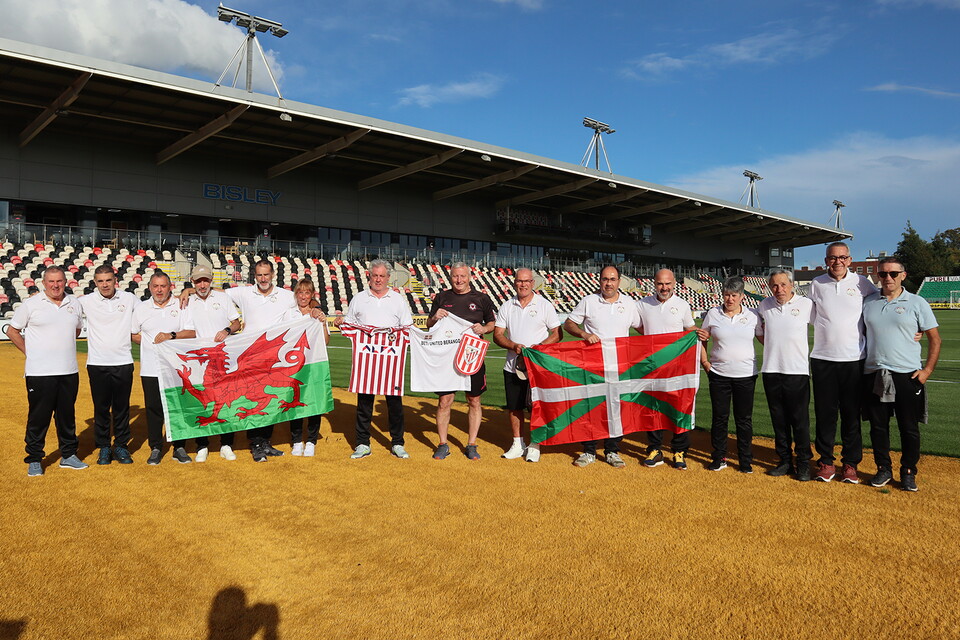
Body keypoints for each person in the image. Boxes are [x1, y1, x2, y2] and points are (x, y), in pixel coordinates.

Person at [182, 259, 305, 461]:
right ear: (254, 276)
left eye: (266, 274)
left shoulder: (285, 296)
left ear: (273, 275)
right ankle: (255, 443)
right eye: (259, 275)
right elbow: (215, 291)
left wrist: (316, 307)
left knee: (268, 400)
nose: (263, 279)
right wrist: (188, 290)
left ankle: (265, 442)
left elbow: (305, 299)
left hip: (270, 358)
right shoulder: (244, 292)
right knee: (250, 396)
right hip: (249, 357)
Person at [861, 258, 941, 492]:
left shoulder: (917, 302)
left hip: (907, 375)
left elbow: (935, 339)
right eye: (883, 274)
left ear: (903, 275)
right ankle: (883, 468)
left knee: (908, 427)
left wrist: (927, 371)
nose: (888, 278)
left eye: (893, 273)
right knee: (878, 427)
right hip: (874, 372)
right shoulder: (868, 302)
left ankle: (908, 471)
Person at [807, 241, 878, 484]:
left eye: (842, 257)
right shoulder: (816, 284)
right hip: (823, 359)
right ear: (826, 260)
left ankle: (850, 464)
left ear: (849, 259)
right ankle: (826, 461)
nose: (837, 262)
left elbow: (881, 307)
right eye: (832, 258)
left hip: (854, 360)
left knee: (851, 415)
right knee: (825, 414)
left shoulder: (862, 283)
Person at [6, 265, 86, 476]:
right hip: (40, 373)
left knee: (67, 417)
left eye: (59, 281)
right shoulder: (31, 305)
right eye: (51, 281)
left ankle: (68, 455)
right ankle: (34, 458)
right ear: (43, 283)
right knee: (38, 418)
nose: (55, 285)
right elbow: (12, 331)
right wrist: (29, 351)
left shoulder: (74, 303)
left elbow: (77, 329)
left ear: (65, 282)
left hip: (68, 371)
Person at [563, 265, 641, 468]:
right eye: (605, 279)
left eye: (613, 279)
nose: (609, 283)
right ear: (599, 281)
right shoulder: (589, 301)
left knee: (616, 408)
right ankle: (589, 450)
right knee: (592, 407)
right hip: (593, 365)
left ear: (619, 281)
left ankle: (612, 450)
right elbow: (569, 324)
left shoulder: (629, 303)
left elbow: (643, 328)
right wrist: (584, 334)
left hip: (619, 366)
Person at [338, 259, 414, 460]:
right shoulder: (359, 299)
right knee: (364, 404)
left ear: (388, 278)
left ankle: (397, 443)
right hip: (367, 362)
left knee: (395, 405)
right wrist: (340, 323)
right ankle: (362, 443)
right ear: (369, 276)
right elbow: (349, 325)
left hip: (391, 363)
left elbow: (408, 328)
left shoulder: (397, 300)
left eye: (382, 276)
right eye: (375, 275)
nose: (378, 279)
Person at [427, 262, 496, 461]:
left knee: (474, 400)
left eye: (462, 276)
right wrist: (435, 317)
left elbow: (492, 323)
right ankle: (443, 444)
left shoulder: (481, 298)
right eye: (455, 276)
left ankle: (472, 444)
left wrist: (484, 329)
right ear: (450, 278)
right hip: (446, 358)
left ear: (469, 277)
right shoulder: (442, 297)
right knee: (444, 401)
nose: (459, 280)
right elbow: (430, 324)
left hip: (472, 356)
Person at [493, 267, 561, 463]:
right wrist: (513, 346)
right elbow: (497, 335)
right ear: (515, 283)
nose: (523, 284)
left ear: (533, 283)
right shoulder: (507, 306)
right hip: (512, 365)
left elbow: (557, 333)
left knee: (536, 407)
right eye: (519, 281)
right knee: (514, 406)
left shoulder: (544, 305)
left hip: (536, 368)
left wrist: (537, 349)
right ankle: (517, 443)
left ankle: (535, 444)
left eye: (526, 281)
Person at [696, 276, 760, 473]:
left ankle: (745, 459)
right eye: (726, 295)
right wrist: (705, 362)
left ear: (742, 296)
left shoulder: (753, 315)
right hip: (719, 375)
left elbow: (764, 337)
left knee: (744, 419)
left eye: (734, 295)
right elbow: (702, 337)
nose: (729, 299)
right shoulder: (713, 314)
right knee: (720, 418)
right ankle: (719, 457)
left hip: (746, 375)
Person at [132, 272, 196, 465]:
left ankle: (179, 447)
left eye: (163, 286)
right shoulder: (141, 308)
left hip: (176, 369)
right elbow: (133, 334)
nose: (159, 290)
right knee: (153, 409)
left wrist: (171, 336)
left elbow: (192, 332)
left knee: (178, 408)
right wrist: (150, 344)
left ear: (170, 287)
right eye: (155, 286)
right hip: (150, 369)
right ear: (149, 288)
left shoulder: (181, 305)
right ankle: (156, 447)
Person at [756, 269, 814, 481]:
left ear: (791, 285)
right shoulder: (764, 305)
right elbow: (760, 333)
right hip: (771, 370)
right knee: (778, 420)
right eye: (774, 285)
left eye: (783, 284)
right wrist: (774, 347)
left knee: (800, 420)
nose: (779, 289)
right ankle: (785, 461)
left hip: (797, 372)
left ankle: (804, 463)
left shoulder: (806, 304)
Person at [78, 265, 138, 466]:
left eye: (108, 280)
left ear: (115, 281)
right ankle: (103, 446)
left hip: (123, 362)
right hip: (97, 364)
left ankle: (121, 446)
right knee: (101, 409)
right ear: (95, 282)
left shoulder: (129, 298)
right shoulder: (86, 301)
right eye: (101, 281)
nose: (105, 285)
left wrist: (186, 292)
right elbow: (63, 305)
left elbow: (149, 309)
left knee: (122, 408)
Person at [636, 269, 696, 469]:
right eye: (660, 283)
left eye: (668, 283)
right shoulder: (643, 304)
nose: (664, 287)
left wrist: (703, 334)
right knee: (653, 408)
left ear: (674, 283)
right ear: (654, 284)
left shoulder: (682, 305)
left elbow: (690, 330)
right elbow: (637, 326)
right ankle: (655, 449)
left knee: (679, 408)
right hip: (652, 368)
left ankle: (679, 451)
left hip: (676, 368)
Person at [185, 265, 241, 461]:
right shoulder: (187, 302)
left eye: (206, 280)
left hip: (223, 359)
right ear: (193, 282)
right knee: (202, 401)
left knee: (226, 399)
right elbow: (187, 331)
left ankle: (226, 444)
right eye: (198, 281)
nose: (202, 285)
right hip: (201, 362)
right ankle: (202, 445)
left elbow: (236, 323)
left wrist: (227, 330)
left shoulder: (223, 298)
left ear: (211, 281)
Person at [284, 278, 329, 457]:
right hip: (294, 364)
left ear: (312, 295)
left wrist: (323, 323)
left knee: (314, 401)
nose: (303, 296)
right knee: (295, 400)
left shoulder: (317, 314)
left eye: (307, 293)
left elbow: (326, 341)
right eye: (300, 292)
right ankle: (296, 440)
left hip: (314, 363)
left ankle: (311, 440)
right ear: (296, 294)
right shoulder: (289, 313)